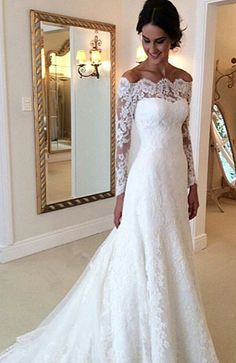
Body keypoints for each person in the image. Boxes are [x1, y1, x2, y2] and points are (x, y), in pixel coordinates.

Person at [0, 0, 219, 362]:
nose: (152, 50)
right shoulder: (131, 81)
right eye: (146, 41)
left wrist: (194, 184)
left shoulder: (185, 82)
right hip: (147, 179)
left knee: (174, 252)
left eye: (160, 41)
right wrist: (121, 195)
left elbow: (184, 136)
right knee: (143, 253)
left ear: (173, 38)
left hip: (175, 172)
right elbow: (122, 143)